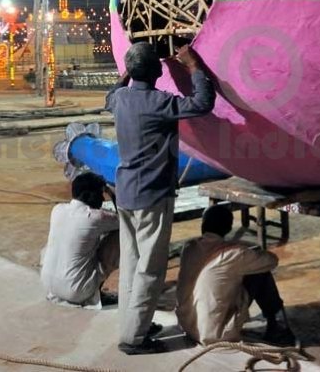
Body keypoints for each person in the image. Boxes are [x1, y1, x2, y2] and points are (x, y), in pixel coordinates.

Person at [106, 42, 216, 355]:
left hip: (126, 192)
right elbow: (202, 103)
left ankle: (132, 324)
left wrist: (127, 73)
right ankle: (134, 339)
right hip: (152, 195)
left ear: (130, 72)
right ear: (157, 71)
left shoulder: (119, 99)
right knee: (149, 270)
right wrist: (193, 66)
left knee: (131, 264)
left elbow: (111, 94)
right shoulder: (159, 102)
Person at [176, 205, 295, 346]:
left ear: (203, 225)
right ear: (228, 228)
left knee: (227, 276)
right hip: (215, 335)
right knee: (260, 271)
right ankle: (277, 324)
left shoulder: (189, 247)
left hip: (186, 325)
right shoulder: (235, 253)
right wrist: (248, 250)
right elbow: (272, 261)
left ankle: (274, 322)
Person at [40, 172, 120, 308]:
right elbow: (125, 220)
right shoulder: (95, 217)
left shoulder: (57, 210)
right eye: (100, 194)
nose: (102, 199)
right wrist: (112, 193)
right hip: (76, 291)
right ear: (88, 195)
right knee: (120, 234)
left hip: (49, 285)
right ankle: (97, 291)